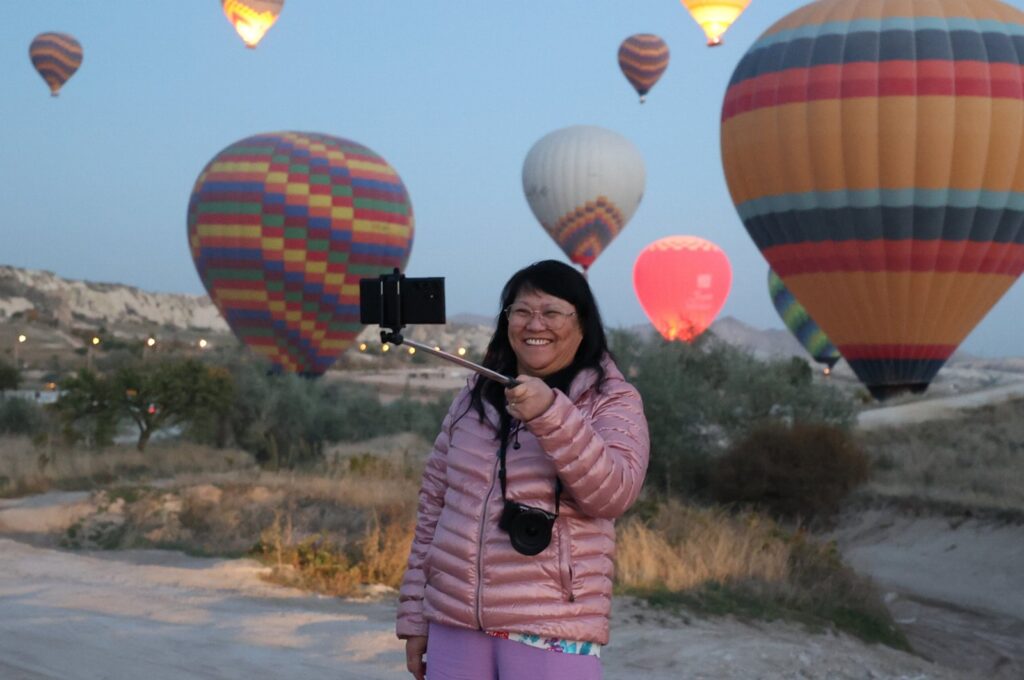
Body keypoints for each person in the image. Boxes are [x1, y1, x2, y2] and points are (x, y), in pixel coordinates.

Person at [396, 259, 650, 680]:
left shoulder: (612, 400)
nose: (536, 323)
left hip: (550, 628)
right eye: (521, 311)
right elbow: (434, 510)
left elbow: (613, 494)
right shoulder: (474, 399)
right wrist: (415, 616)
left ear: (582, 323)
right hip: (455, 622)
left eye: (551, 312)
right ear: (506, 320)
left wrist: (551, 414)